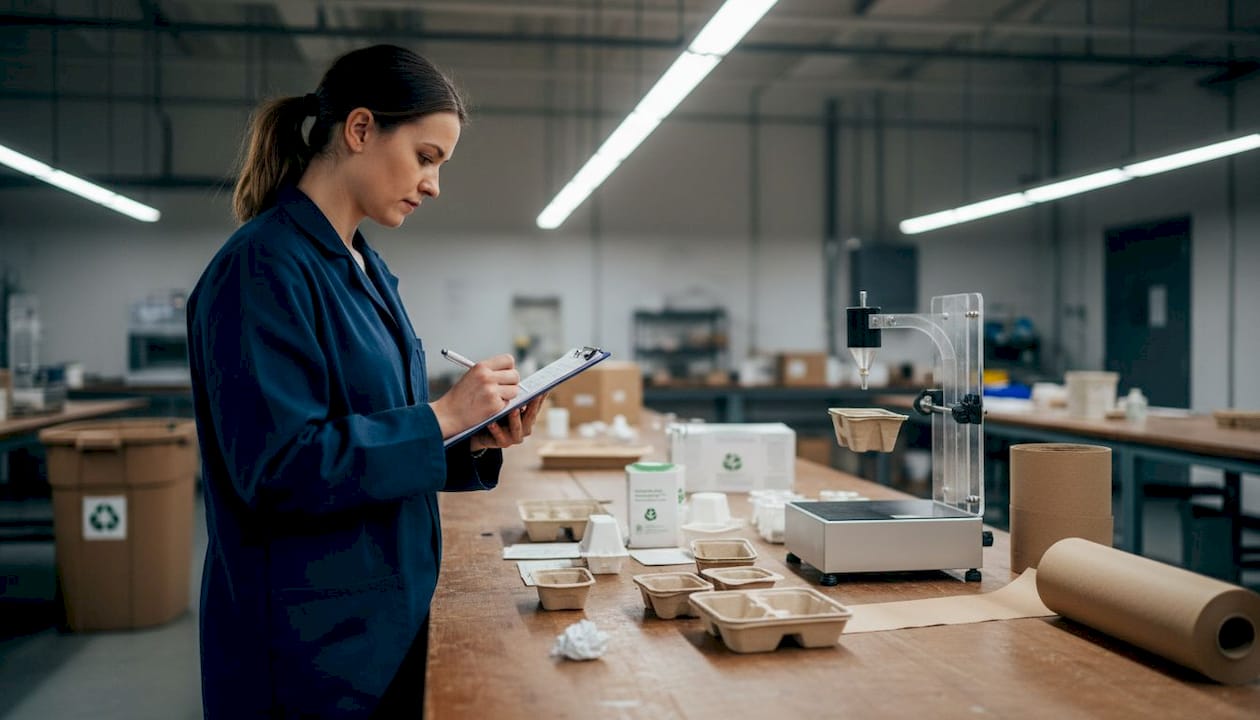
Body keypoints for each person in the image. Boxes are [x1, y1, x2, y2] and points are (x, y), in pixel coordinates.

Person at [186, 44, 543, 718]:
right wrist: (439, 417)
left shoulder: (365, 269)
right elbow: (281, 468)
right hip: (307, 651)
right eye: (426, 156)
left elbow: (372, 435)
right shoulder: (263, 268)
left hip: (383, 621)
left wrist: (472, 437)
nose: (434, 183)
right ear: (359, 130)